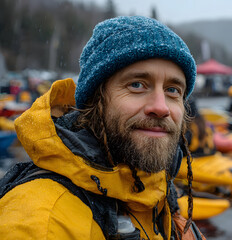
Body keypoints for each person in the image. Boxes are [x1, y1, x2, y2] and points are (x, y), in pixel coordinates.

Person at [0, 16, 205, 240]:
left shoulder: (162, 196)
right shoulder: (41, 223)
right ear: (95, 101)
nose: (161, 107)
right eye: (136, 85)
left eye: (173, 90)